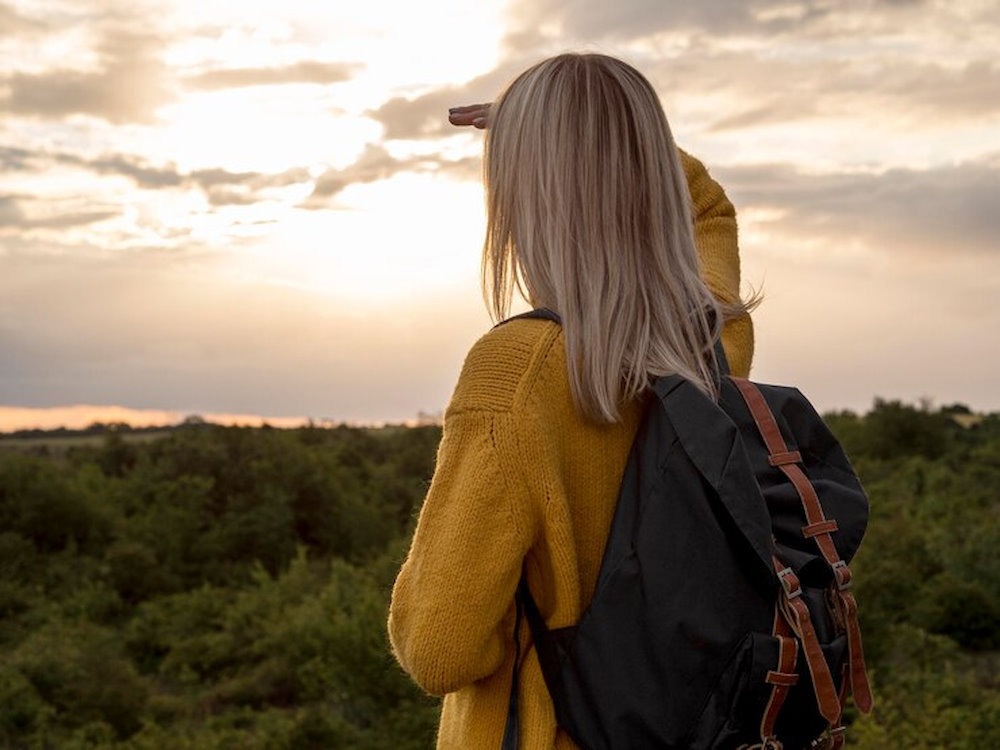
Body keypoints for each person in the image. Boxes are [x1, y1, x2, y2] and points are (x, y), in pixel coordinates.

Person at [388, 52, 757, 748]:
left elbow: (439, 650)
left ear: (529, 197)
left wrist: (545, 134)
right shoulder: (710, 335)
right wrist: (613, 137)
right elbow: (708, 207)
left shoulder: (516, 371)